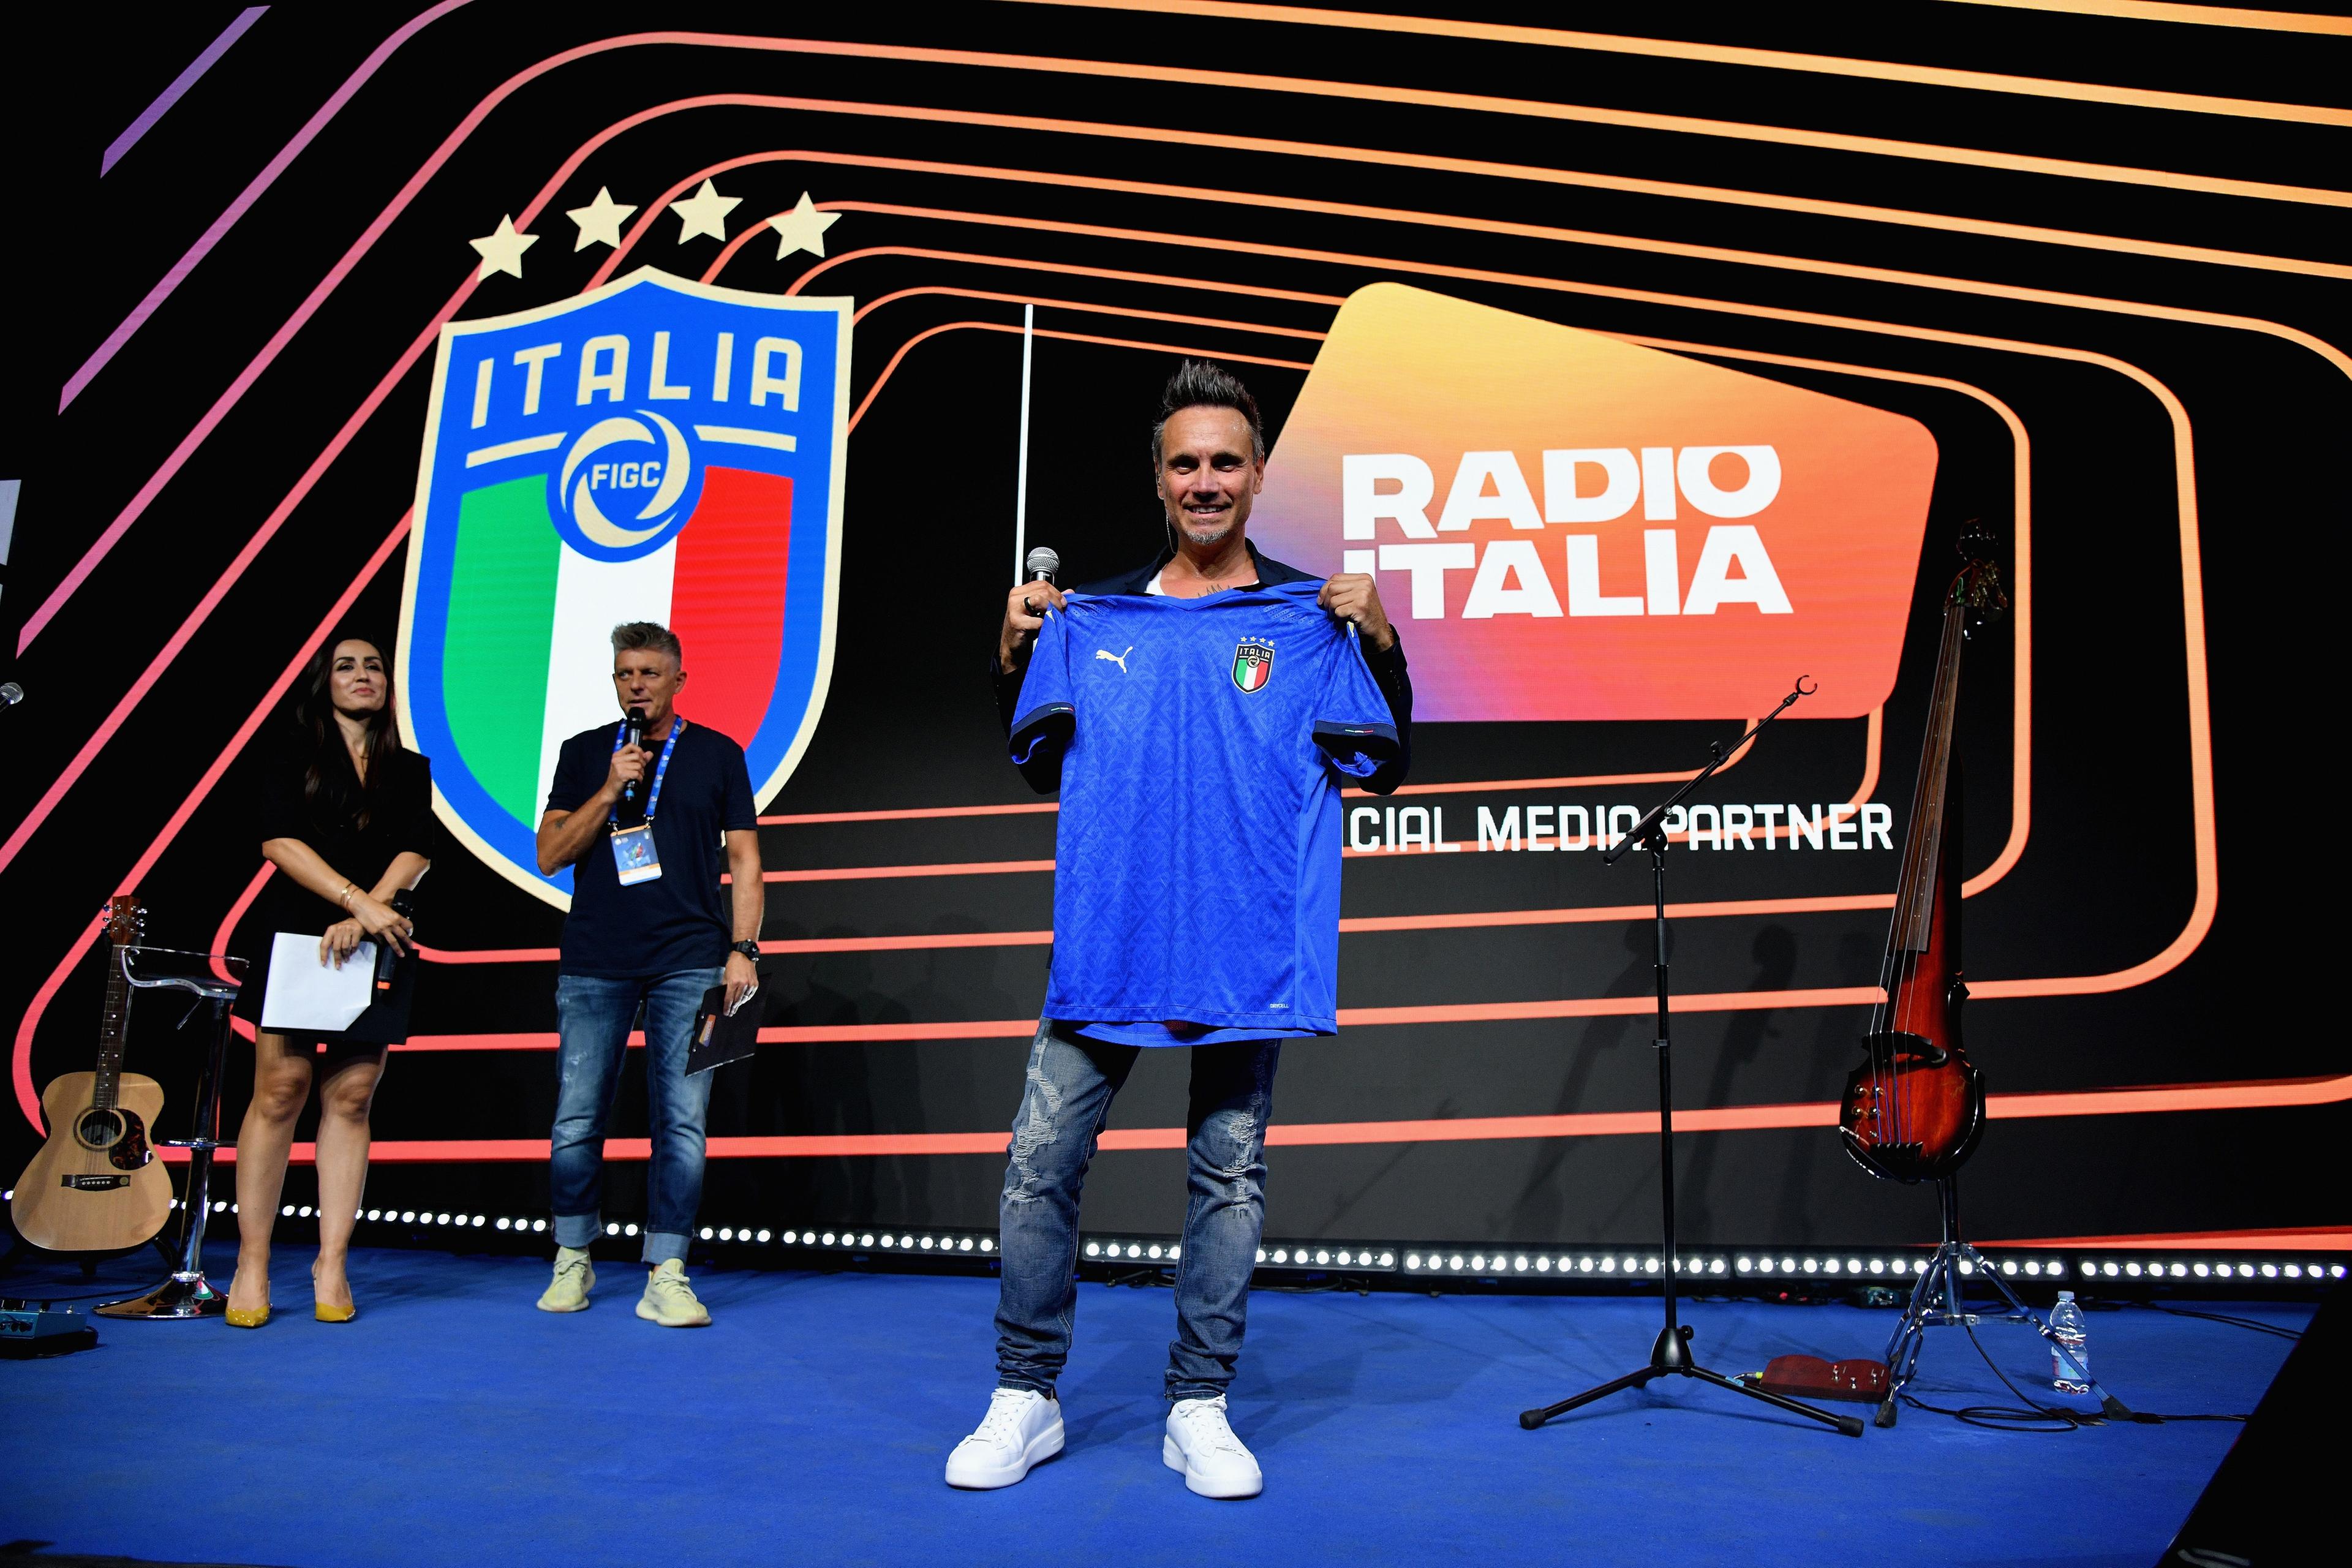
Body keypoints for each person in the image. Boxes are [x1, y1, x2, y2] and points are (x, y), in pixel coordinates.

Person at [946, 362, 1412, 1498]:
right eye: (1185, 462)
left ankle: (1198, 1404)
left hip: (1237, 950)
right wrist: (1015, 647)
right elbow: (1032, 757)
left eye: (1226, 462)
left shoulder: (1311, 619)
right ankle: (1026, 1395)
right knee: (1036, 1167)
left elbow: (1383, 764)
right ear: (1159, 479)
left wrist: (1385, 645)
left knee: (1228, 1179)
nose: (1206, 480)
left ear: (1256, 478)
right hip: (1107, 943)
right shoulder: (1092, 615)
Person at [532, 622, 762, 1327]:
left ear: (679, 680)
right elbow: (549, 854)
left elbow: (747, 861)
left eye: (651, 674)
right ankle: (573, 1256)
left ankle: (667, 1270)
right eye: (626, 673)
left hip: (690, 955)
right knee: (576, 1117)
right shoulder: (583, 755)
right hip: (597, 956)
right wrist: (608, 790)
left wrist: (744, 949)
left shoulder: (719, 754)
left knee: (683, 1122)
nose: (638, 685)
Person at [225, 636, 434, 1328]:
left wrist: (375, 910)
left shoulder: (410, 767)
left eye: (373, 665)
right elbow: (279, 841)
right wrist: (356, 902)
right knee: (281, 1090)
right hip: (297, 930)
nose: (363, 675)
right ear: (325, 683)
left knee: (350, 1096)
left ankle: (331, 1260)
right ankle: (252, 1261)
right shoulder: (292, 751)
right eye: (347, 665)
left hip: (378, 935)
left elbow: (416, 850)